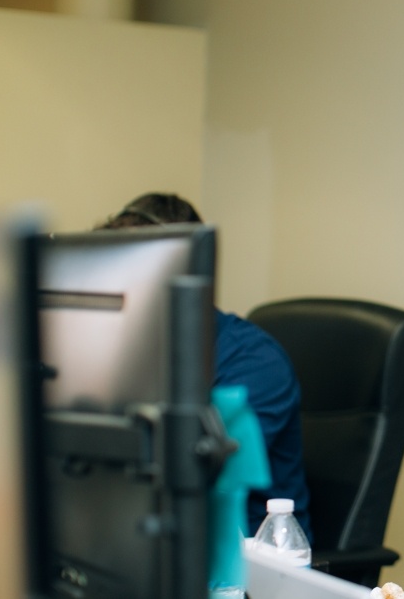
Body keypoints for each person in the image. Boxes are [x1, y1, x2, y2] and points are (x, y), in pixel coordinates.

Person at [98, 192, 313, 539]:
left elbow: (192, 470)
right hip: (150, 543)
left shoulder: (255, 362)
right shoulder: (127, 352)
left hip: (245, 570)